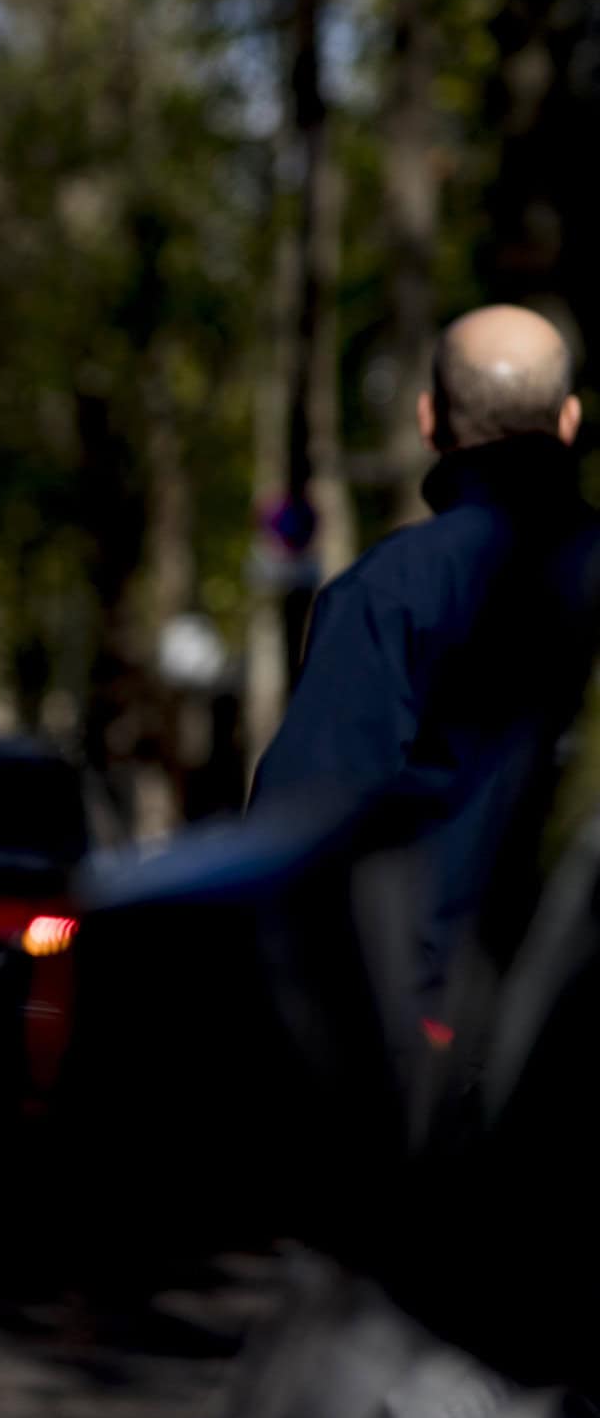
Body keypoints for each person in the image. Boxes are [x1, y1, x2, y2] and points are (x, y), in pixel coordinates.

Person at [251, 304, 600, 1001]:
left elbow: (300, 828)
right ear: (568, 420)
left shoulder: (387, 593)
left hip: (449, 1013)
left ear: (429, 420)